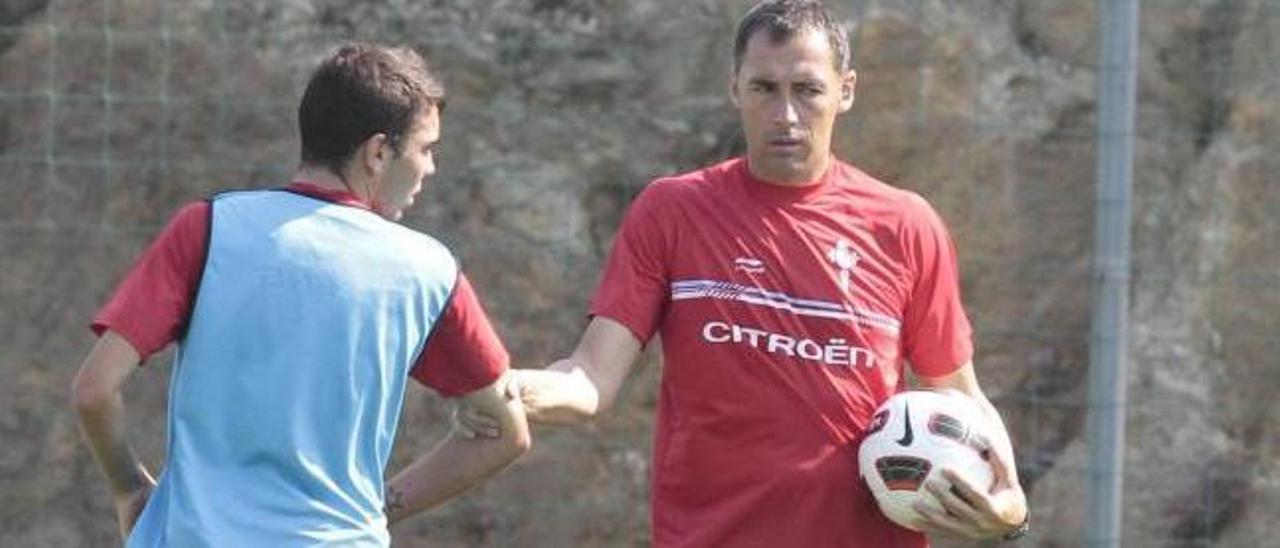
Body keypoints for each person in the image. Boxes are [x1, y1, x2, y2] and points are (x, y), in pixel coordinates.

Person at [466, 1, 1029, 546]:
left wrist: (1011, 509)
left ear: (846, 91)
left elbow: (958, 396)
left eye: (807, 89)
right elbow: (590, 378)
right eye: (764, 88)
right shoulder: (673, 211)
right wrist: (505, 388)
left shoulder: (905, 225)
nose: (786, 115)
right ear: (735, 88)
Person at [70, 43, 530, 547]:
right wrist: (378, 510)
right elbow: (505, 433)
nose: (431, 167)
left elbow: (94, 390)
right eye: (425, 148)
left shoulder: (207, 228)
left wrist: (130, 491)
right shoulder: (428, 270)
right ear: (378, 152)